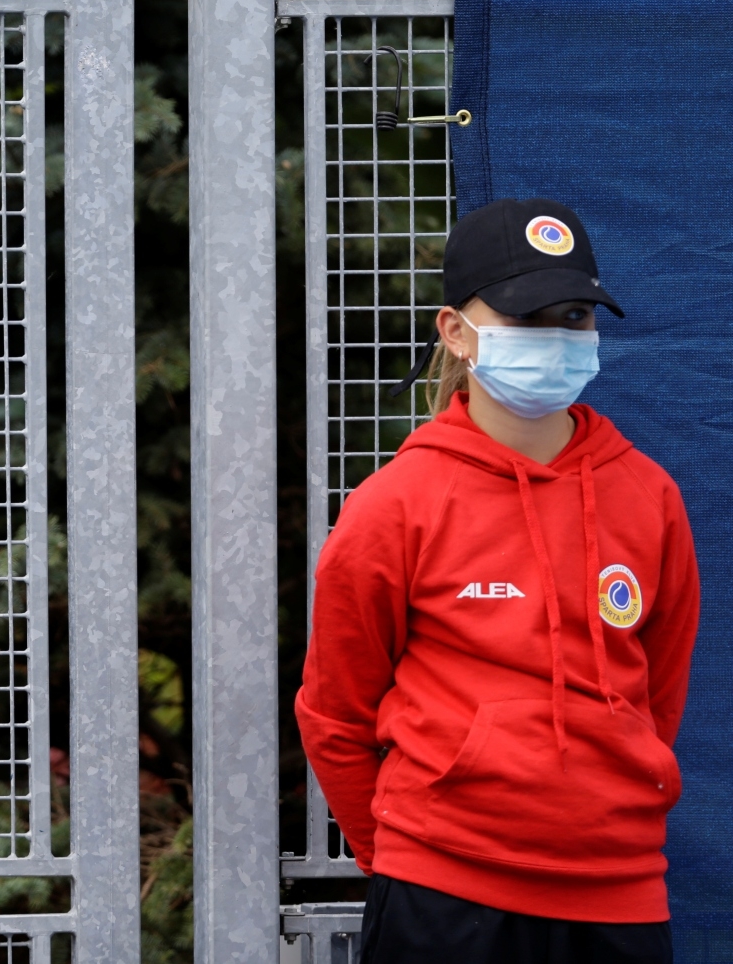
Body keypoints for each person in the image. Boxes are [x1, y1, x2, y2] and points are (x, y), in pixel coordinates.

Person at [296, 199, 701, 964]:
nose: (556, 337)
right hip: (442, 894)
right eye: (526, 316)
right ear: (455, 330)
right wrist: (407, 856)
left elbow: (657, 694)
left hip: (618, 891)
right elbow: (335, 711)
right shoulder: (396, 504)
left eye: (575, 315)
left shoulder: (649, 496)